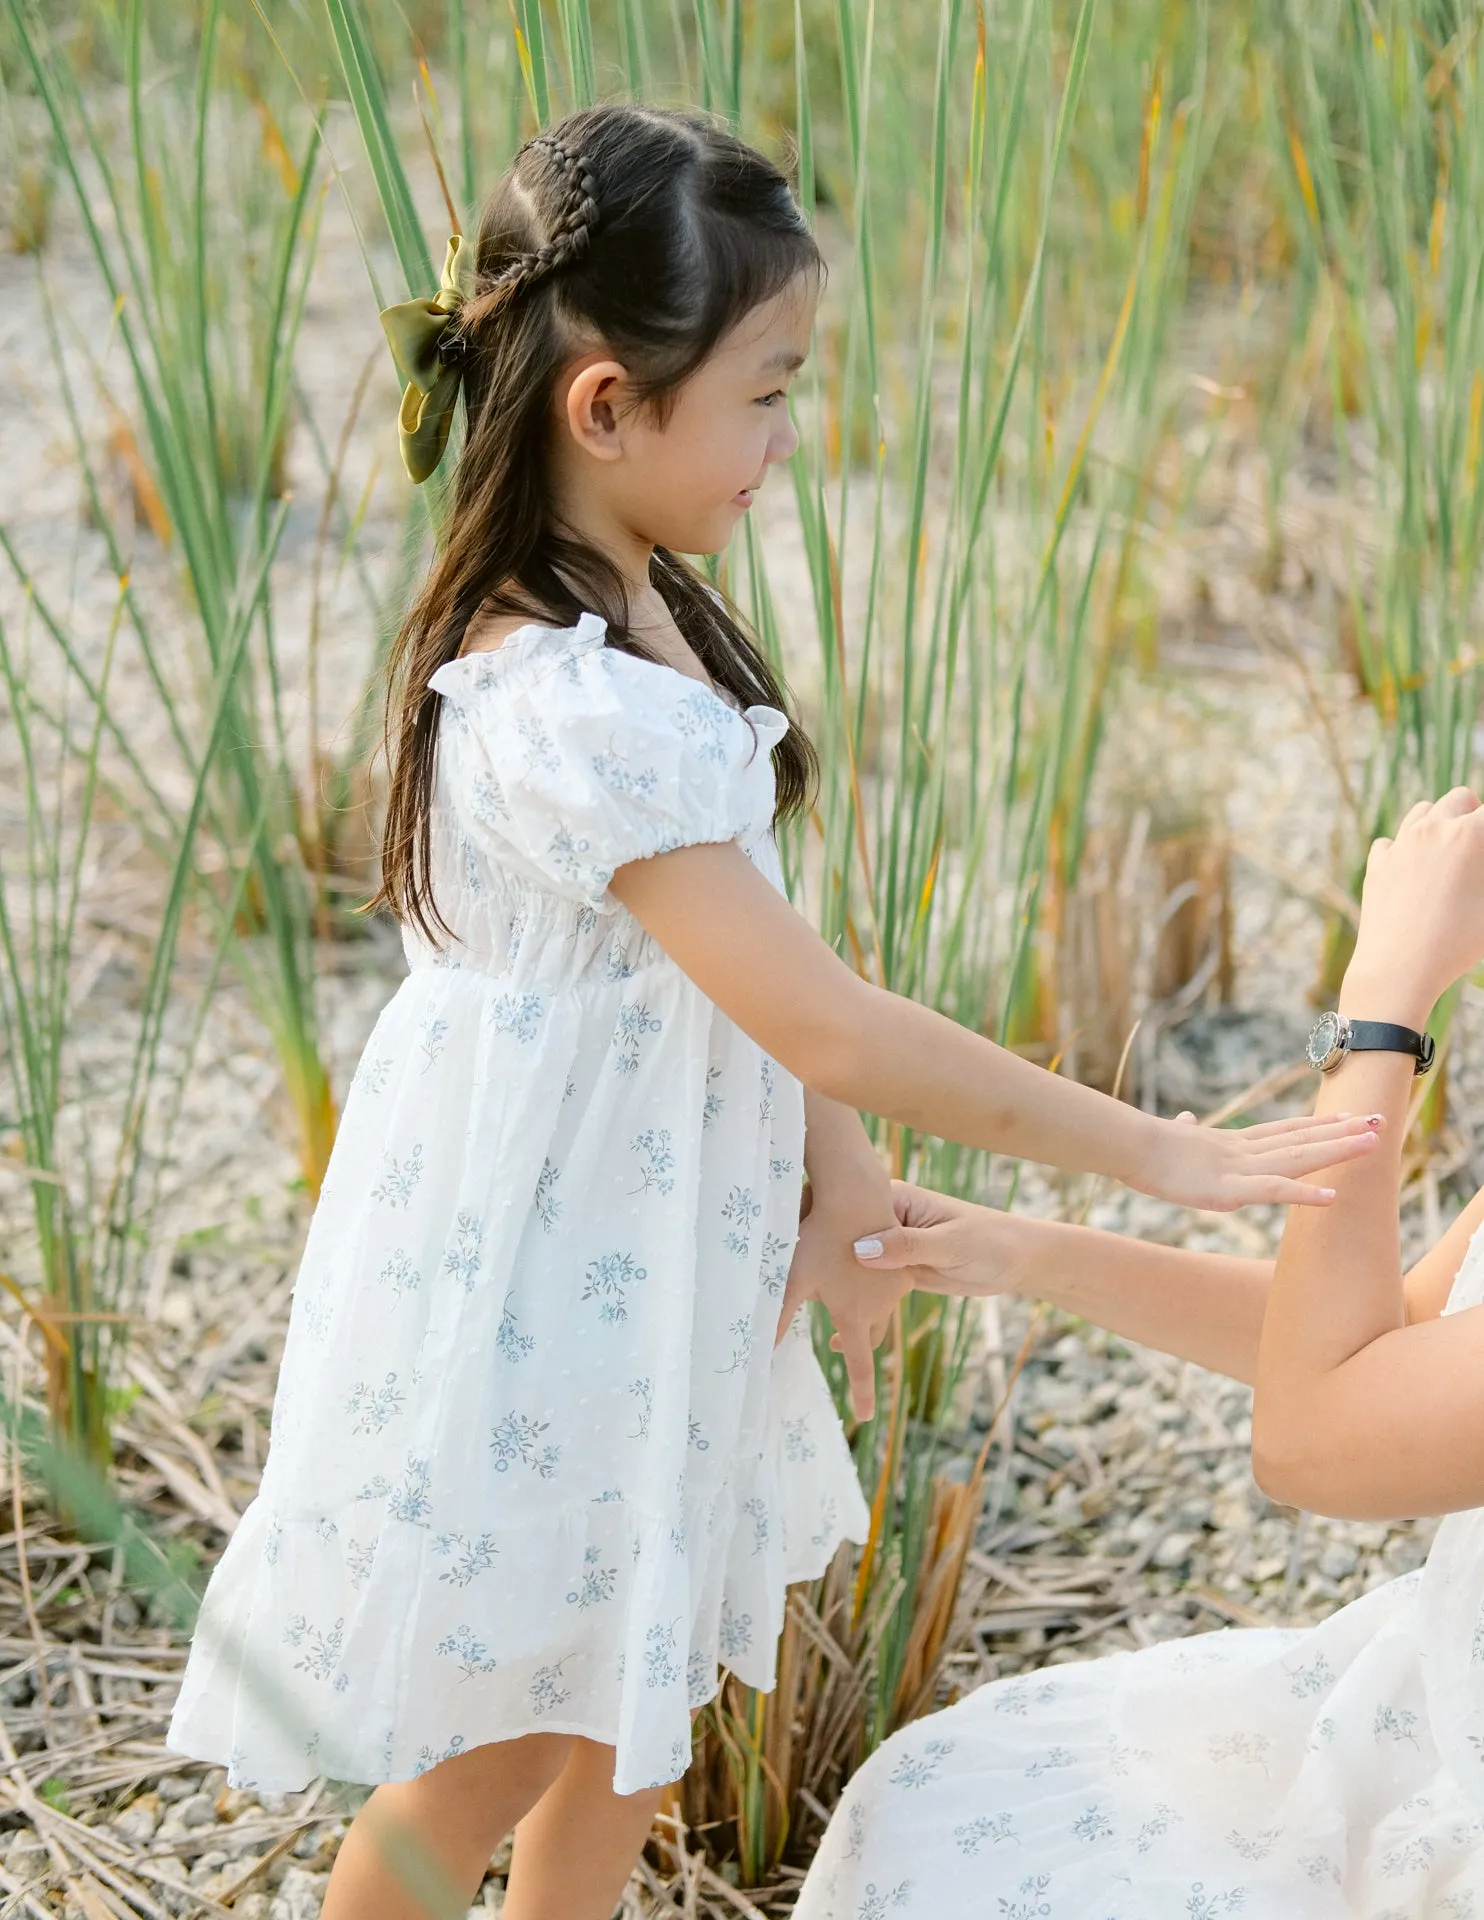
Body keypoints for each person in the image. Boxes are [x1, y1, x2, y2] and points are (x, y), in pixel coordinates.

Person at [164, 106, 1379, 1920]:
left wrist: (836, 1184)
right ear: (604, 407)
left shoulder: (644, 617)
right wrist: (1152, 1147)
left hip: (652, 1242)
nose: (782, 442)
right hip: (547, 1275)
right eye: (761, 393)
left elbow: (737, 984)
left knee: (628, 1709)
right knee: (504, 1730)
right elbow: (820, 1014)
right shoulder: (564, 706)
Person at [795, 791, 1484, 1919]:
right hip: (1427, 1705)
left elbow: (1313, 1440)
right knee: (931, 1796)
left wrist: (1383, 1006)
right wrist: (1020, 1252)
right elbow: (1400, 1338)